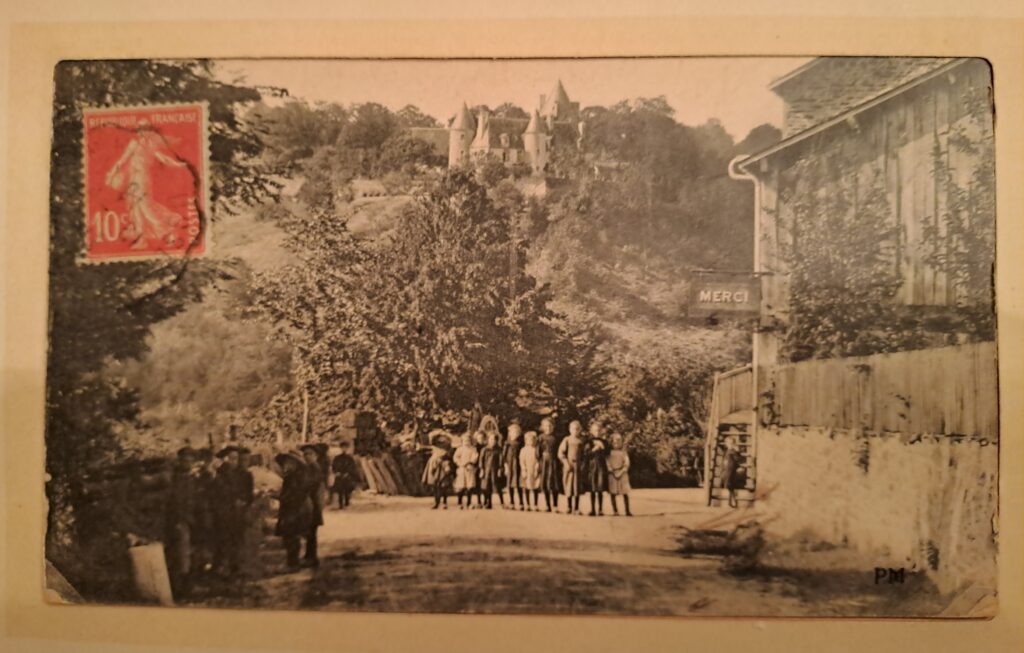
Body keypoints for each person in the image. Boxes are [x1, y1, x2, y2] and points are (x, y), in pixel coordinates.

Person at [212, 445, 254, 577]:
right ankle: (220, 568)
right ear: (225, 459)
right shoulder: (219, 474)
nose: (233, 462)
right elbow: (217, 493)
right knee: (222, 540)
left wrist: (244, 502)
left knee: (237, 539)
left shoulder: (245, 475)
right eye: (231, 458)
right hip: (222, 512)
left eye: (236, 459)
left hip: (238, 513)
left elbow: (249, 494)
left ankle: (235, 568)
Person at [164, 446, 199, 595]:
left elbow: (196, 499)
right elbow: (174, 501)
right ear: (180, 460)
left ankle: (188, 585)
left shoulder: (192, 478)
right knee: (180, 555)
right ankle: (179, 588)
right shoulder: (175, 478)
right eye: (185, 460)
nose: (188, 463)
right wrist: (179, 520)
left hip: (193, 520)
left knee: (192, 554)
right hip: (179, 521)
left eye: (190, 460)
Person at [275, 451, 314, 571]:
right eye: (285, 463)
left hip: (294, 510)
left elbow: (293, 494)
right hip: (297, 508)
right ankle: (293, 562)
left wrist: (277, 496)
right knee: (293, 536)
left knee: (291, 536)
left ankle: (292, 563)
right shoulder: (299, 475)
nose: (286, 466)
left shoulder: (293, 477)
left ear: (295, 464)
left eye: (289, 463)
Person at [300, 444, 326, 566]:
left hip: (314, 504)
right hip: (310, 503)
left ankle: (312, 557)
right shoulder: (307, 468)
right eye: (305, 454)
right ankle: (309, 555)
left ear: (315, 456)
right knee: (309, 531)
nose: (307, 456)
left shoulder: (315, 469)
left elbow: (312, 485)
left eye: (310, 454)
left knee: (311, 531)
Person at [558, 420, 586, 515]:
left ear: (580, 430)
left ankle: (577, 508)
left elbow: (584, 454)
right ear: (570, 430)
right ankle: (569, 507)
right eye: (574, 429)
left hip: (578, 466)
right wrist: (565, 463)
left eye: (578, 429)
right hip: (569, 466)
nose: (576, 431)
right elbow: (561, 453)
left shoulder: (582, 440)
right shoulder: (567, 440)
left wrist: (582, 464)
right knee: (569, 486)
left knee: (577, 487)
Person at [422, 437, 454, 510]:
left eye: (442, 443)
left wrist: (446, 465)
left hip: (443, 468)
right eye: (439, 442)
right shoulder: (434, 449)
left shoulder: (447, 451)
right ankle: (436, 502)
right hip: (434, 467)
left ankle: (444, 503)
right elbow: (426, 447)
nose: (440, 444)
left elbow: (448, 458)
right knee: (435, 486)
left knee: (444, 486)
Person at [585, 421, 609, 516]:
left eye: (599, 430)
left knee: (600, 488)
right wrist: (594, 449)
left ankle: (600, 509)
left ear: (602, 431)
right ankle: (592, 509)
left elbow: (608, 453)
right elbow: (586, 454)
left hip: (601, 466)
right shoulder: (589, 442)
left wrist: (602, 447)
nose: (597, 432)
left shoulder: (605, 442)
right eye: (595, 430)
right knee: (592, 488)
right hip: (592, 467)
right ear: (591, 431)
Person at [606, 434, 633, 516]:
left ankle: (627, 511)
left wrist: (622, 471)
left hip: (622, 474)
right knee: (613, 492)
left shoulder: (624, 453)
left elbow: (627, 463)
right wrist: (611, 470)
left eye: (619, 441)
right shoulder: (609, 453)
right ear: (612, 442)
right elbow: (607, 462)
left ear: (621, 442)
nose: (616, 443)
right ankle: (615, 511)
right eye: (615, 441)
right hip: (612, 474)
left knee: (625, 492)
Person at [538, 417, 561, 513]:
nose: (548, 428)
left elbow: (559, 450)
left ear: (553, 427)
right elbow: (538, 450)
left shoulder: (556, 437)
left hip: (554, 462)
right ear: (543, 427)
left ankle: (555, 505)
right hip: (544, 463)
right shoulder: (540, 437)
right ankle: (548, 505)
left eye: (550, 426)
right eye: (546, 426)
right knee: (546, 484)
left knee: (554, 484)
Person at [453, 433, 480, 509]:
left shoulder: (473, 449)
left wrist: (470, 462)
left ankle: (469, 503)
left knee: (469, 486)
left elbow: (475, 457)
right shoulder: (460, 449)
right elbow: (455, 457)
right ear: (462, 441)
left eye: (468, 440)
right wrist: (460, 463)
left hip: (469, 468)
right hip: (461, 469)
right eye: (465, 440)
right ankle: (459, 503)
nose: (466, 442)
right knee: (461, 487)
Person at [478, 432, 502, 510]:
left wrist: (500, 469)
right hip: (486, 470)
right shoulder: (484, 449)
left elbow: (501, 460)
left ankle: (491, 502)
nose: (493, 441)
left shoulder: (498, 450)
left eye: (494, 440)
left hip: (494, 471)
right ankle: (485, 501)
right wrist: (481, 469)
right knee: (485, 486)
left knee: (493, 486)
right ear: (488, 440)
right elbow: (481, 460)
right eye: (491, 439)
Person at [502, 423, 524, 510]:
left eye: (516, 432)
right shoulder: (507, 443)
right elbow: (504, 456)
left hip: (518, 465)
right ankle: (511, 502)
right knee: (510, 484)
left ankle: (521, 502)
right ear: (510, 433)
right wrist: (505, 466)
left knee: (518, 484)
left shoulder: (520, 443)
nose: (514, 434)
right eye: (513, 432)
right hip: (510, 465)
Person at [519, 431, 542, 511]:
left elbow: (538, 460)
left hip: (534, 470)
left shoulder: (536, 450)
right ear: (526, 441)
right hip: (527, 470)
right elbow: (521, 460)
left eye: (532, 440)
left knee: (535, 486)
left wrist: (537, 468)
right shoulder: (523, 450)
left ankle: (535, 504)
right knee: (526, 487)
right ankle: (527, 504)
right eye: (529, 440)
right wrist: (523, 469)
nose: (531, 441)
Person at [330, 445, 359, 509]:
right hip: (339, 475)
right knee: (340, 490)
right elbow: (333, 466)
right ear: (341, 448)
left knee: (347, 489)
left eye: (345, 448)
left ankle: (347, 501)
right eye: (343, 447)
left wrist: (348, 473)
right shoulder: (337, 458)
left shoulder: (349, 458)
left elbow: (352, 466)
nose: (344, 449)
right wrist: (336, 472)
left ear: (347, 448)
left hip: (347, 475)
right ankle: (340, 503)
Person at [721, 437, 744, 509]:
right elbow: (725, 460)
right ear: (726, 444)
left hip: (731, 469)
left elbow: (738, 459)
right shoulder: (728, 451)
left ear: (734, 444)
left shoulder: (733, 451)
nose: (730, 445)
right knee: (729, 485)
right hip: (726, 469)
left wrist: (737, 452)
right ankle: (732, 501)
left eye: (732, 443)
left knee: (729, 484)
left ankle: (733, 501)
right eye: (728, 443)